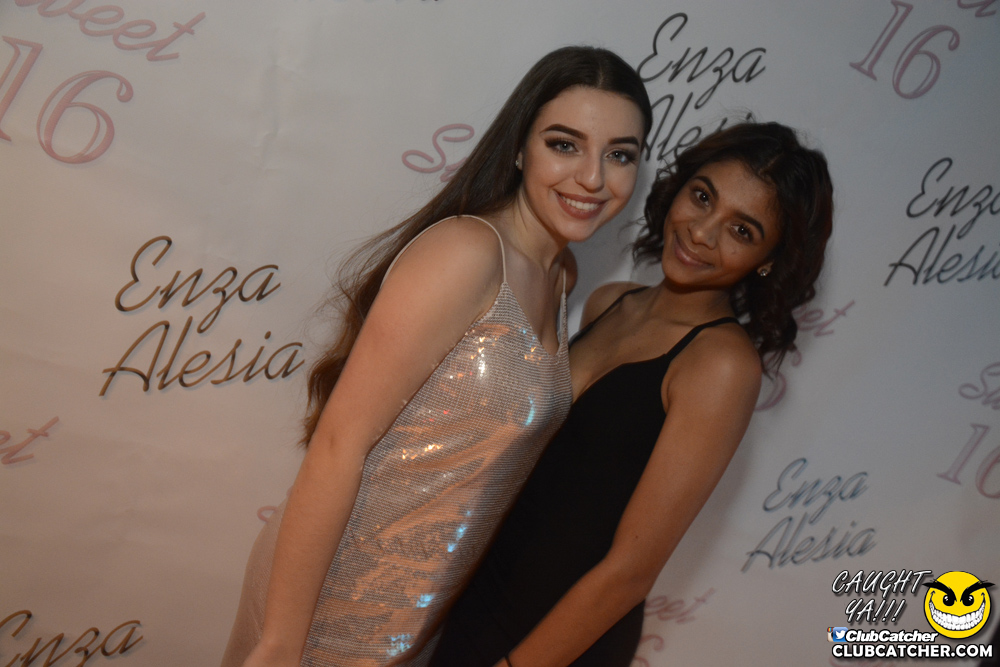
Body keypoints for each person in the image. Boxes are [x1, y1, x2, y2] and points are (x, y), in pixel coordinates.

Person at [219, 45, 653, 667]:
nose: (592, 177)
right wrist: (281, 641)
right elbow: (340, 443)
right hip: (331, 592)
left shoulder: (561, 275)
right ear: (519, 147)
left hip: (412, 611)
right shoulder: (468, 253)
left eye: (620, 155)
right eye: (565, 144)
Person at [429, 121, 835, 667]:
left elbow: (629, 573)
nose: (702, 232)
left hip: (559, 644)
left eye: (742, 231)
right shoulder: (609, 301)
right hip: (481, 599)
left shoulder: (721, 366)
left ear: (769, 260)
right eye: (702, 197)